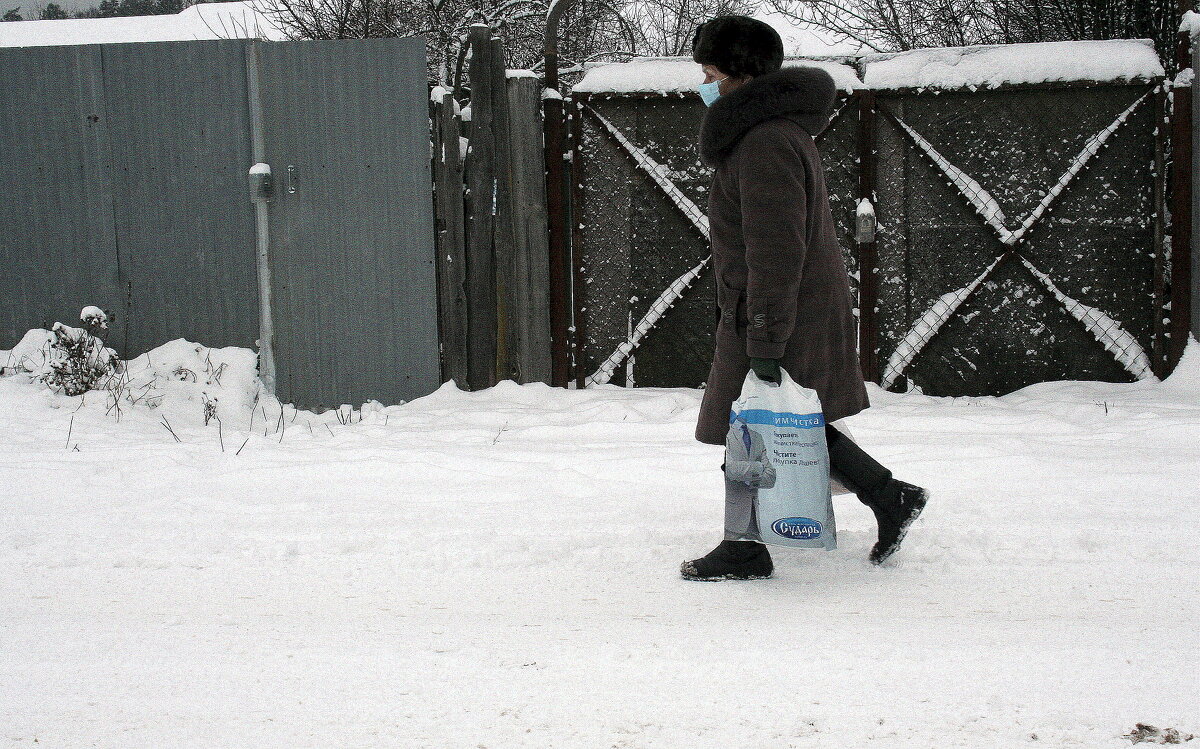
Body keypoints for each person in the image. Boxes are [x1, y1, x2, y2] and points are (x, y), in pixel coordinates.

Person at [680, 16, 929, 582]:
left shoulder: (765, 142)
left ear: (741, 78)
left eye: (711, 72)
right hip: (774, 307)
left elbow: (775, 250)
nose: (703, 83)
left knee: (757, 422)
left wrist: (764, 338)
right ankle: (886, 498)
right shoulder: (766, 135)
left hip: (778, 311)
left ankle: (747, 543)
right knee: (772, 422)